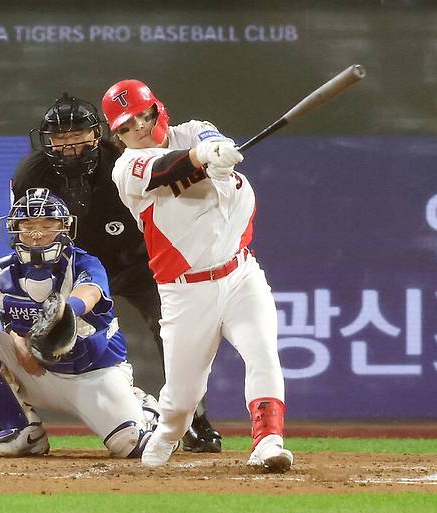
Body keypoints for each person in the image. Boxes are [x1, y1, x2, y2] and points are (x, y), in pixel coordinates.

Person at [0, 93, 221, 454]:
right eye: (59, 137)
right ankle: (9, 415)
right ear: (45, 140)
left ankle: (193, 420)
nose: (68, 144)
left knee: (173, 332)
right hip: (68, 268)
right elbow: (21, 230)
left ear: (97, 134)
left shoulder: (125, 161)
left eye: (77, 134)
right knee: (27, 324)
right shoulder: (31, 173)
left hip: (139, 263)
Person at [100, 79, 294, 472]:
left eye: (142, 115)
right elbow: (164, 168)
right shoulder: (126, 168)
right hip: (186, 291)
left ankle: (268, 441)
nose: (137, 127)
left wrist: (217, 151)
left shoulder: (193, 130)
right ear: (117, 135)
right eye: (125, 125)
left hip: (241, 273)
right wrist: (202, 156)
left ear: (157, 108)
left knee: (262, 352)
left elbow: (208, 137)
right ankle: (168, 432)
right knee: (183, 399)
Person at [0, 188, 159, 457]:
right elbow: (10, 321)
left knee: (132, 447)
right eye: (28, 225)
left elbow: (90, 292)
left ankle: (144, 410)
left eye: (48, 224)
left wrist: (66, 311)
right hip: (36, 371)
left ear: (64, 228)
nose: (37, 232)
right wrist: (21, 347)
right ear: (15, 229)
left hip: (92, 373)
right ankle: (23, 429)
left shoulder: (84, 263)